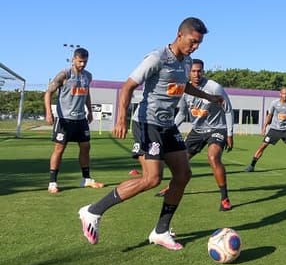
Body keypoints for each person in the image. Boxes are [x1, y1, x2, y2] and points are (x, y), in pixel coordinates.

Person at [78, 17, 222, 250]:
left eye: (199, 43)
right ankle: (93, 211)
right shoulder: (156, 58)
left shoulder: (187, 62)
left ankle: (161, 231)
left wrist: (209, 97)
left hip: (167, 126)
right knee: (152, 178)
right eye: (193, 41)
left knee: (183, 175)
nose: (195, 47)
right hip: (147, 123)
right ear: (179, 35)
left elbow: (184, 86)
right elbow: (127, 86)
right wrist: (121, 118)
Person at [156, 59, 235, 212]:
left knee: (213, 157)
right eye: (193, 71)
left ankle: (225, 198)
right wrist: (169, 128)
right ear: (188, 72)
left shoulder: (214, 87)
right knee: (180, 162)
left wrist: (230, 134)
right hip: (197, 130)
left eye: (199, 71)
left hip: (217, 129)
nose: (197, 74)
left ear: (203, 71)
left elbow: (228, 110)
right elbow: (182, 113)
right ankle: (170, 187)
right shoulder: (185, 89)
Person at [44, 47, 103, 193]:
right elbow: (48, 93)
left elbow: (86, 94)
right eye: (80, 61)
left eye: (85, 62)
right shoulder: (64, 74)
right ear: (73, 59)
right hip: (64, 119)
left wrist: (89, 110)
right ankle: (52, 182)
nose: (82, 64)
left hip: (80, 119)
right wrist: (48, 113)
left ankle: (86, 179)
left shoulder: (88, 76)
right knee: (59, 149)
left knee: (85, 147)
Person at [245, 87, 286, 173]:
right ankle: (252, 165)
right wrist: (264, 127)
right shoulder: (274, 103)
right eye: (283, 93)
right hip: (274, 129)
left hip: (285, 130)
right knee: (263, 146)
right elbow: (269, 115)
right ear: (280, 94)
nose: (285, 95)